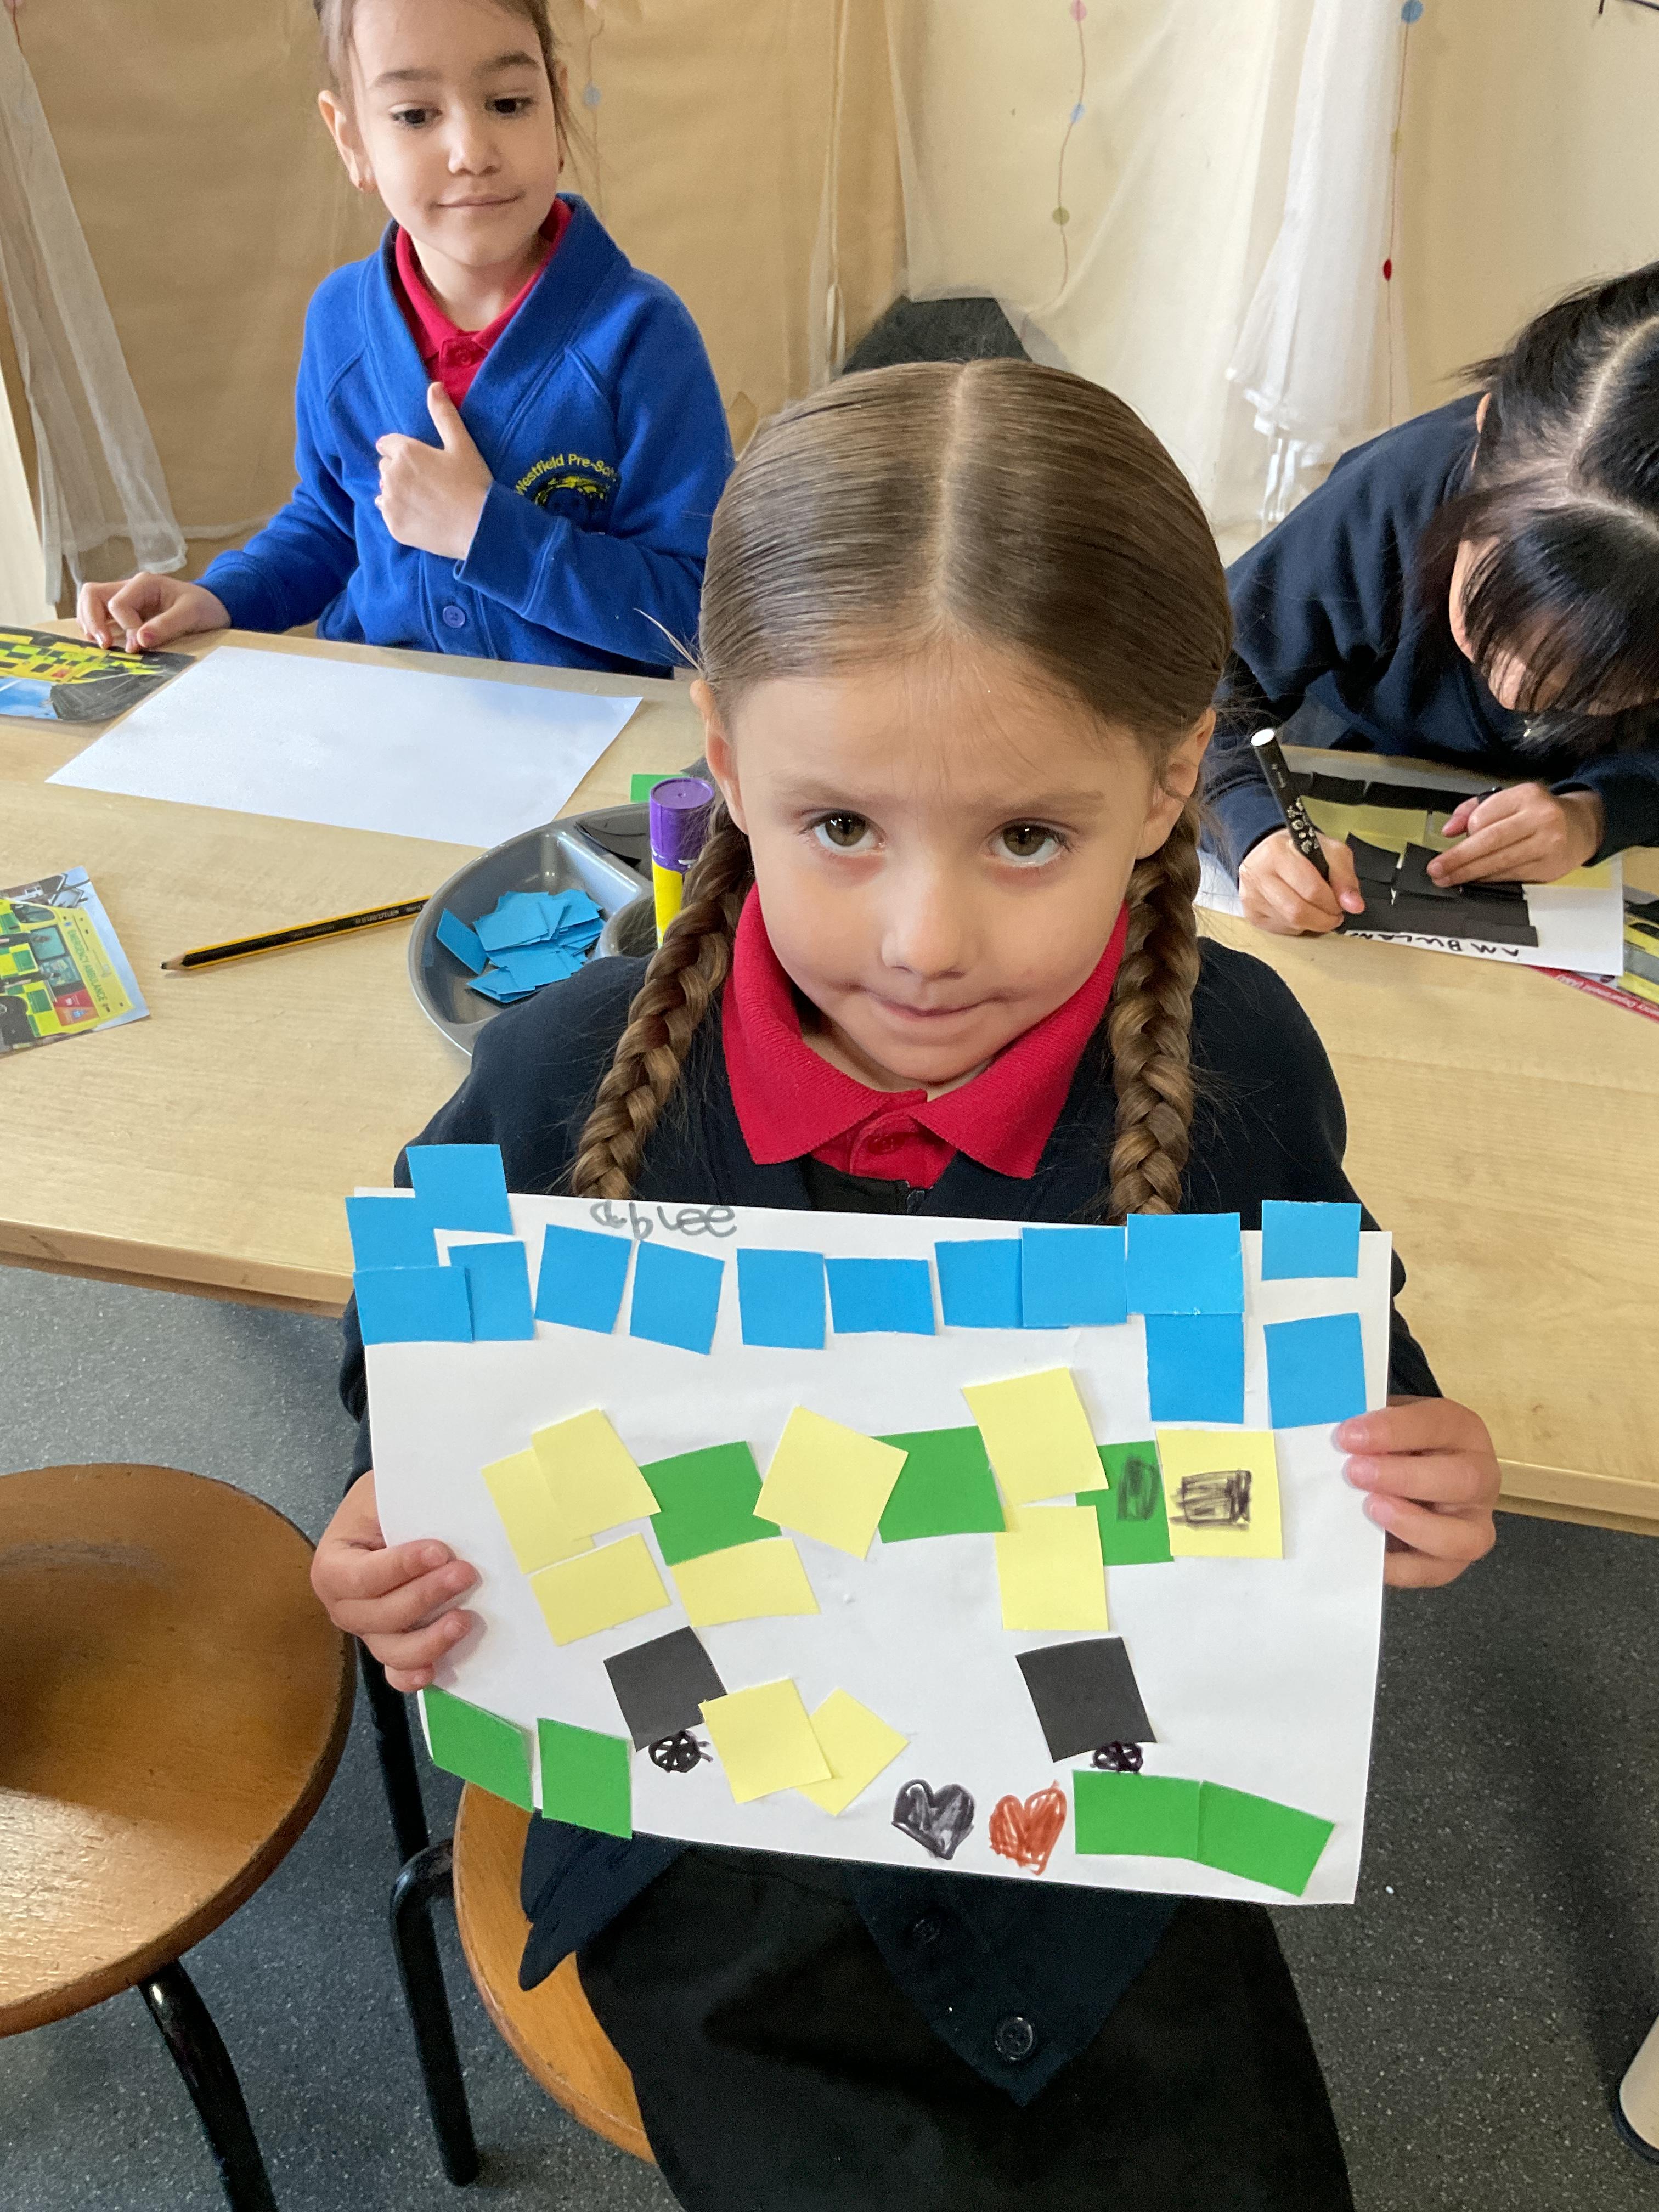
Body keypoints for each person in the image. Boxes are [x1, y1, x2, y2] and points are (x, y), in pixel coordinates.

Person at [313, 361, 1500, 2211]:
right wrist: (377, 1523)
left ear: (1168, 780)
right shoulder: (557, 1079)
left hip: (1106, 1840)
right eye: (841, 828)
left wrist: (1411, 1464)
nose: (924, 943)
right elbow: (403, 1364)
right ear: (726, 763)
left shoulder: (1233, 1063)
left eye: (1024, 837)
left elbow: (1335, 1358)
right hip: (716, 1847)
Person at [77, 0, 731, 679]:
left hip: (588, 732)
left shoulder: (643, 337)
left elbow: (700, 609)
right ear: (352, 142)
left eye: (509, 103)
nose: (472, 153)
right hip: (377, 710)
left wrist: (485, 530)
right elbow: (333, 521)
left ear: (558, 109)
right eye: (415, 115)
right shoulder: (340, 319)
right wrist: (221, 596)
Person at [1209, 261, 1659, 936]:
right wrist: (1250, 825)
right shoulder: (1386, 501)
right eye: (1492, 624)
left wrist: (1597, 813)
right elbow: (1198, 674)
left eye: (1595, 686)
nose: (1515, 692)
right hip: (1350, 749)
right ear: (1483, 443)